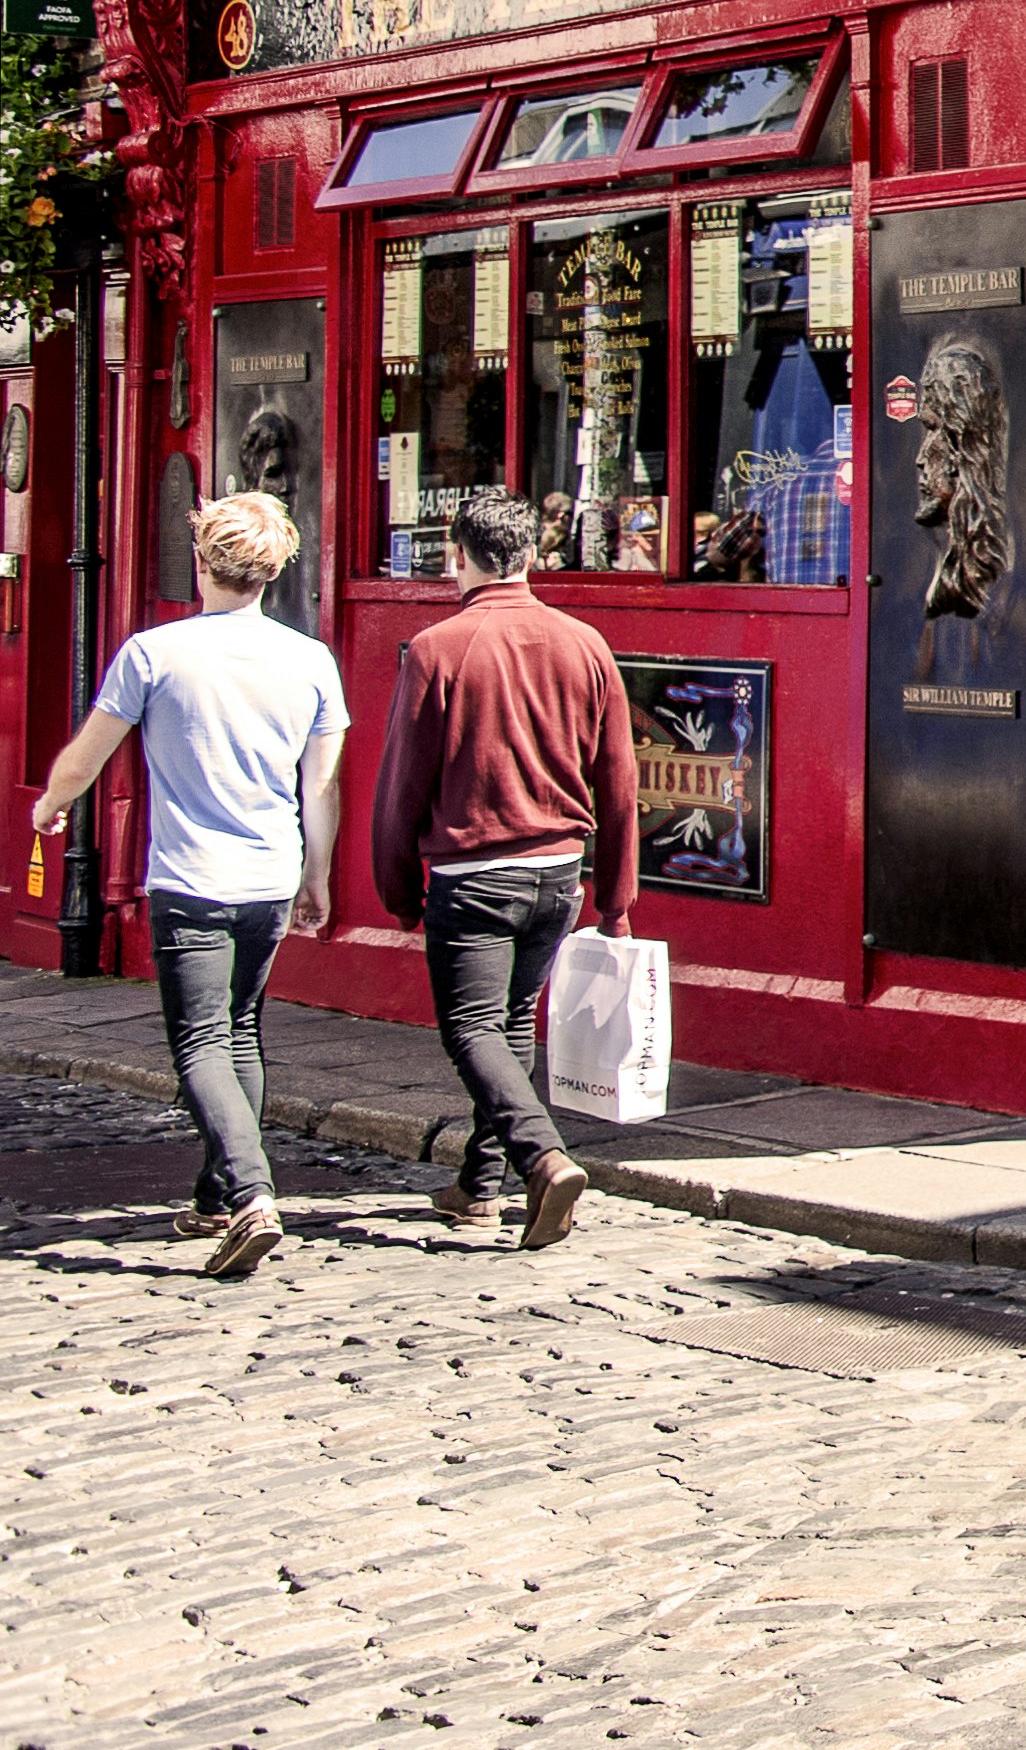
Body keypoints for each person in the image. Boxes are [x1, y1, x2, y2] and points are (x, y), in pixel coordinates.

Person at [25, 493, 344, 1280]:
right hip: (270, 873)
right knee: (239, 1030)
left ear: (203, 563)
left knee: (200, 1040)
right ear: (273, 571)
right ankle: (215, 1192)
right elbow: (323, 789)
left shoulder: (154, 653)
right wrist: (318, 873)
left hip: (192, 877)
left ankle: (252, 1196)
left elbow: (88, 754)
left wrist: (49, 805)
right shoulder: (310, 660)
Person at [371, 485, 638, 1252]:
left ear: (458, 556)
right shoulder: (584, 643)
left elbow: (401, 787)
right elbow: (619, 781)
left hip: (473, 874)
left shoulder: (436, 649)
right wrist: (614, 898)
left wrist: (396, 890)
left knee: (469, 1029)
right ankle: (478, 1187)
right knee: (510, 1023)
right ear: (531, 556)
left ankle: (542, 1158)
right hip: (559, 873)